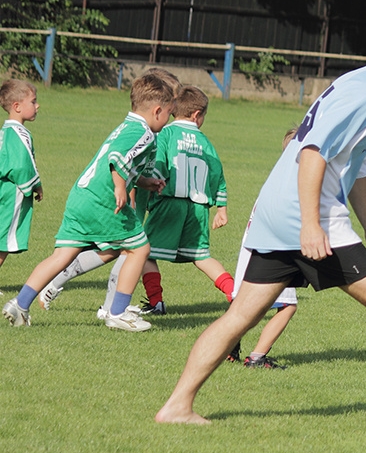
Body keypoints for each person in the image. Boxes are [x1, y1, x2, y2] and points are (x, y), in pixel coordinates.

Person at [156, 11, 366, 443]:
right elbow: (313, 154)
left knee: (241, 314)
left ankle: (176, 406)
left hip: (278, 212)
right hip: (306, 214)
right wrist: (312, 226)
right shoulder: (363, 93)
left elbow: (356, 168)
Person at [2, 72, 174, 331]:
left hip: (81, 195)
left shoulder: (126, 125)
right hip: (103, 201)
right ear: (158, 110)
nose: (169, 119)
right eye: (169, 114)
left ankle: (20, 304)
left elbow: (119, 162)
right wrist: (119, 187)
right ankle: (117, 313)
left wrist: (145, 182)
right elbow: (117, 158)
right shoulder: (144, 133)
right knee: (139, 249)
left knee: (61, 256)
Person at [135, 84, 231, 313]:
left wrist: (148, 192)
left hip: (170, 203)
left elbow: (157, 167)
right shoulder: (206, 142)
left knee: (143, 252)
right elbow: (217, 174)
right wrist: (221, 209)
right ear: (197, 115)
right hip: (198, 209)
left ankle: (156, 302)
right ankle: (234, 293)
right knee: (202, 256)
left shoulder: (166, 134)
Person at [227, 126, 301, 369]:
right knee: (287, 306)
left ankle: (229, 345)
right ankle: (257, 356)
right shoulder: (296, 182)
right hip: (274, 248)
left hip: (251, 244)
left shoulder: (274, 179)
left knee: (244, 302)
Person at [0, 80, 43, 284]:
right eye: (33, 101)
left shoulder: (6, 131)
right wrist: (35, 185)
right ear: (17, 106)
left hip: (4, 190)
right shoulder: (19, 133)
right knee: (3, 240)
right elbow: (21, 165)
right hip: (11, 194)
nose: (38, 106)